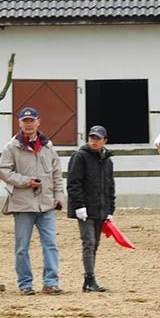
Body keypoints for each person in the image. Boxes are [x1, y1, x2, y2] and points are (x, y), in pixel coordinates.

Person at [0, 107, 66, 296]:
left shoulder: (48, 147)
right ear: (19, 123)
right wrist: (25, 181)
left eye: (31, 120)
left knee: (51, 244)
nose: (28, 124)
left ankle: (50, 282)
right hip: (23, 203)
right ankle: (25, 284)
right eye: (25, 121)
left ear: (38, 122)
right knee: (22, 247)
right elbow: (4, 171)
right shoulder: (11, 147)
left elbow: (56, 175)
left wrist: (59, 198)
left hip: (46, 204)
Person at [67, 125, 115, 293]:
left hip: (100, 209)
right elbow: (74, 184)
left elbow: (110, 186)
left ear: (104, 141)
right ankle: (90, 278)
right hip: (85, 209)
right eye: (92, 138)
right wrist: (79, 206)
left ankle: (89, 279)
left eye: (98, 138)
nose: (94, 141)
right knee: (89, 243)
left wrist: (110, 209)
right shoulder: (80, 157)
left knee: (95, 244)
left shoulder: (107, 161)